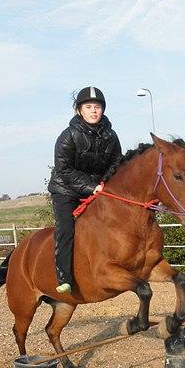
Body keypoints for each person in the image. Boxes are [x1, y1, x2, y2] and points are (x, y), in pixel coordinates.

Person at [47, 86, 122, 294]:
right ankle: (64, 276)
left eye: (97, 106)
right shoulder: (68, 136)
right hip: (66, 189)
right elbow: (64, 170)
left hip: (97, 188)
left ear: (103, 110)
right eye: (88, 106)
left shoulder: (111, 135)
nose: (93, 111)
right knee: (66, 229)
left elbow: (116, 163)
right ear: (80, 110)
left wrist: (104, 183)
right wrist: (92, 187)